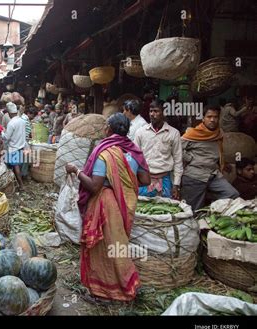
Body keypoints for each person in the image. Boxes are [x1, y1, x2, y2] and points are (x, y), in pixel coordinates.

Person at [65, 113, 150, 302]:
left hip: (106, 204)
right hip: (125, 203)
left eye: (106, 126)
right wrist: (124, 181)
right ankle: (121, 285)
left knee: (102, 248)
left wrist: (76, 170)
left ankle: (105, 291)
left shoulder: (105, 152)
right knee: (118, 244)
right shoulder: (135, 152)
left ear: (109, 129)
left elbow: (94, 186)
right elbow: (145, 179)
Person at [181, 105, 240, 211]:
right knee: (193, 211)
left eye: (215, 117)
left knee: (232, 194)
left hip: (213, 174)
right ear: (203, 118)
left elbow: (218, 151)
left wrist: (223, 162)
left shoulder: (219, 133)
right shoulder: (193, 133)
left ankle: (213, 216)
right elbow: (176, 149)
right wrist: (190, 159)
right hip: (195, 175)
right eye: (209, 116)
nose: (212, 120)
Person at [134, 100, 183, 199]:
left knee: (165, 209)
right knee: (141, 209)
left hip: (165, 179)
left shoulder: (173, 133)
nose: (152, 114)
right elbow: (134, 157)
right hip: (144, 179)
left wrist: (176, 184)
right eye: (151, 111)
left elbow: (178, 160)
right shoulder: (141, 132)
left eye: (156, 111)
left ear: (163, 113)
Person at [2, 102, 27, 191]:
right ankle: (15, 182)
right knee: (17, 165)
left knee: (15, 166)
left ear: (9, 113)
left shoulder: (11, 123)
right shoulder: (22, 121)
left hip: (13, 148)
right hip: (21, 146)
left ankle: (21, 185)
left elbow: (6, 137)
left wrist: (2, 133)